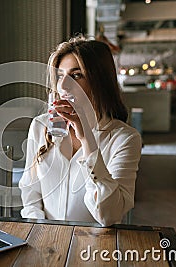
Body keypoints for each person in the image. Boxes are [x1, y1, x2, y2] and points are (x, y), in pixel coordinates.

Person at [18, 36, 142, 226]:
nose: (63, 86)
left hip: (96, 244)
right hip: (45, 239)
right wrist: (40, 232)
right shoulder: (41, 126)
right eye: (60, 76)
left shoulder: (124, 139)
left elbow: (108, 215)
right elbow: (30, 192)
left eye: (76, 75)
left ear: (100, 81)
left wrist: (88, 141)